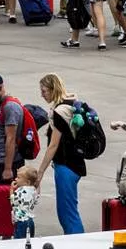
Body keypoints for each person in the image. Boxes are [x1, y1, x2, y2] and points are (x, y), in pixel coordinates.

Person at [34, 74, 85, 235]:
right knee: (68, 210)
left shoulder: (60, 112)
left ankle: (78, 247)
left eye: (44, 91)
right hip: (74, 164)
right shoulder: (70, 104)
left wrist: (40, 172)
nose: (42, 95)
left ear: (53, 89)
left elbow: (53, 145)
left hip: (66, 165)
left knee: (67, 213)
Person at [11, 165, 40, 239]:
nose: (15, 179)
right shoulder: (33, 190)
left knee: (19, 242)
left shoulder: (21, 191)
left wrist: (11, 190)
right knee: (29, 240)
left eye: (18, 177)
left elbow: (13, 202)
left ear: (27, 182)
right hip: (30, 221)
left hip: (21, 221)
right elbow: (37, 198)